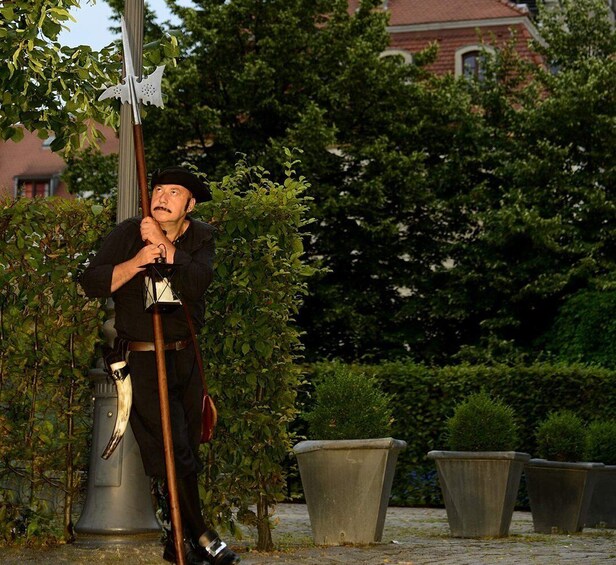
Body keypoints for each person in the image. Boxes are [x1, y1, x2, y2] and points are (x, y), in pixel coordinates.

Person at [80, 166, 240, 565]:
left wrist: (168, 251)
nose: (163, 197)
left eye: (174, 192)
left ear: (190, 204)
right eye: (158, 189)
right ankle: (202, 535)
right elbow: (92, 282)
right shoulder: (129, 233)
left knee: (185, 447)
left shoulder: (201, 237)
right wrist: (139, 259)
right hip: (143, 357)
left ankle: (178, 540)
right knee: (170, 449)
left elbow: (199, 281)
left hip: (184, 355)